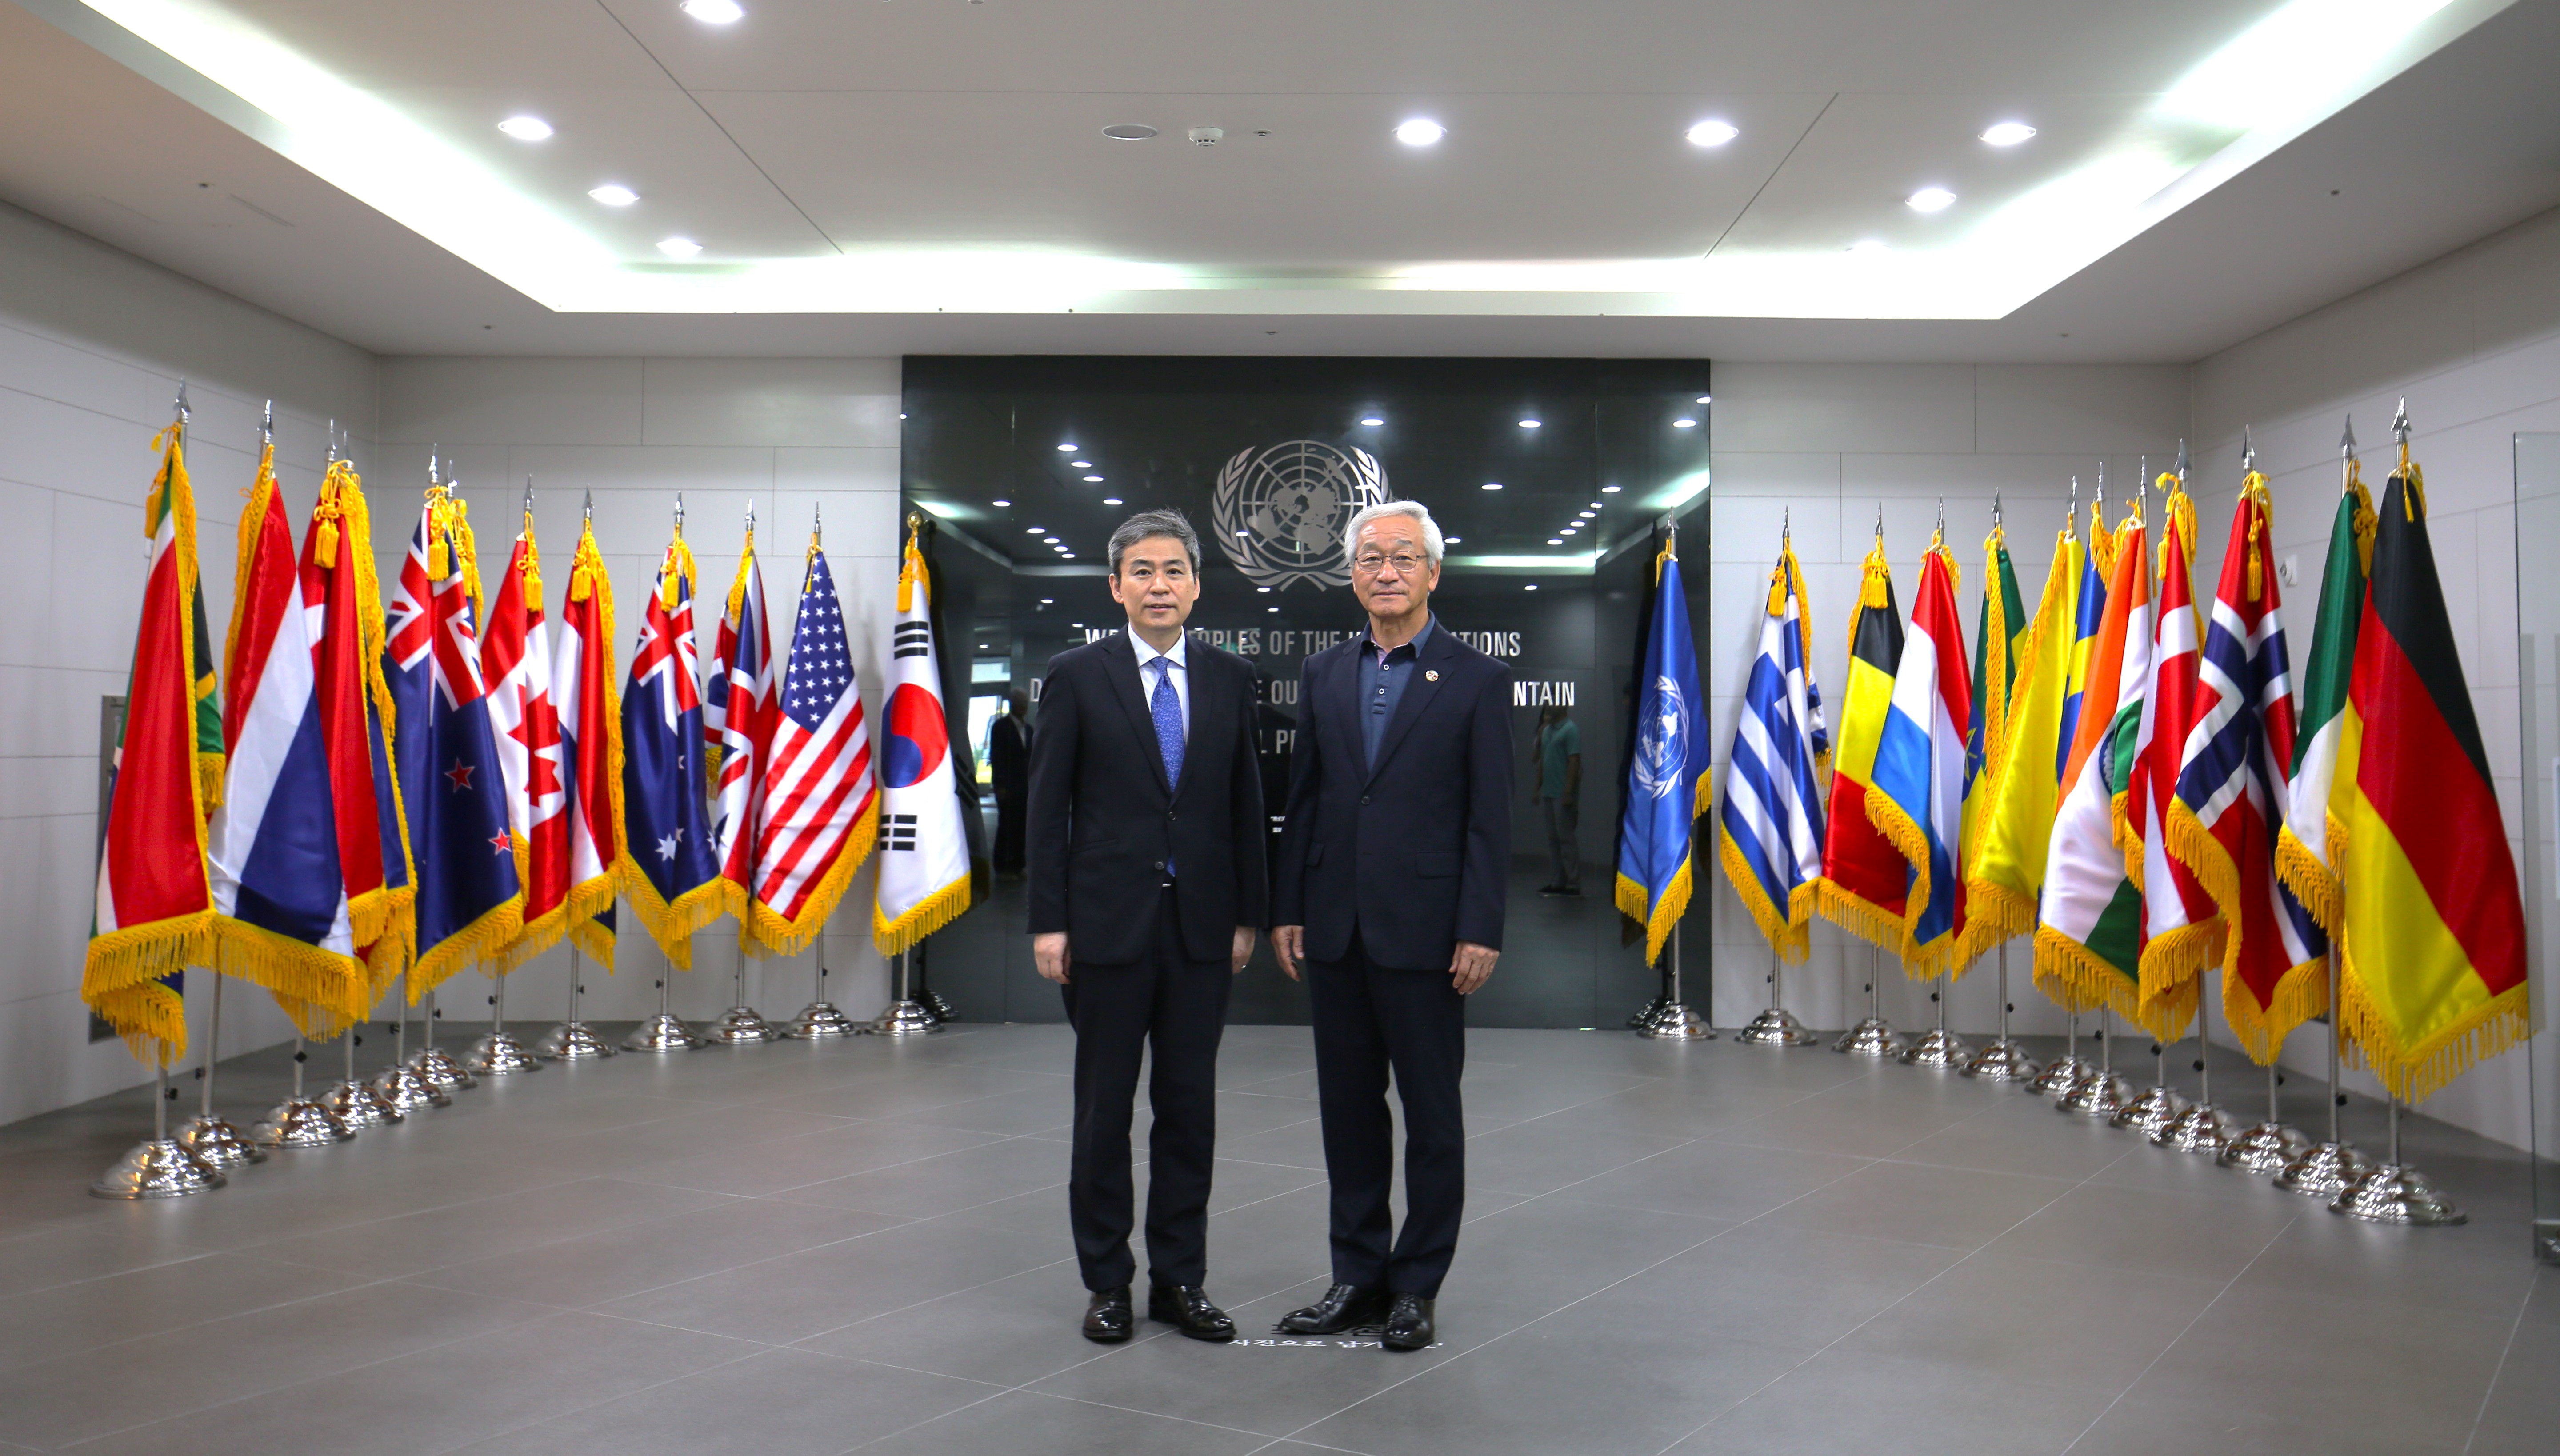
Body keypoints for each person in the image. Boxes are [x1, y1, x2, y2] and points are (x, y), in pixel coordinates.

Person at [1271, 499, 1512, 1352]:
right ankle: (1357, 1275)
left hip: (1429, 932)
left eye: (1403, 557)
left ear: (1433, 573)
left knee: (1431, 1115)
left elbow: (1490, 818)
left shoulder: (1476, 678)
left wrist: (1480, 926)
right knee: (1349, 1112)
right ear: (1351, 574)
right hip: (1335, 929)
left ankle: (1417, 1285)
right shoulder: (1325, 672)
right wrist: (1290, 904)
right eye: (1370, 557)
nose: (1385, 571)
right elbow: (1305, 799)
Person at [1026, 508, 1265, 1345]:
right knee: (1104, 1112)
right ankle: (1107, 1282)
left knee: (1188, 1109)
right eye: (1143, 571)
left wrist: (1247, 916)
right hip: (1104, 932)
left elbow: (1245, 809)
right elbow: (1046, 808)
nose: (1158, 586)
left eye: (1174, 571)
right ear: (1116, 585)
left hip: (1202, 932)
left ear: (1197, 586)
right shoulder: (1077, 675)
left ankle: (1180, 1279)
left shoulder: (1232, 680)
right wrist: (1049, 923)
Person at [1532, 704, 1581, 896]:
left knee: (1566, 839)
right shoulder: (1547, 731)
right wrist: (1538, 788)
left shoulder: (1570, 729)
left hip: (1562, 793)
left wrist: (1568, 792)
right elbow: (1543, 761)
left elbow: (1574, 761)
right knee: (1553, 840)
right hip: (1550, 793)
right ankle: (1557, 881)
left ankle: (1573, 882)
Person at [988, 690, 1030, 874]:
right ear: (1013, 705)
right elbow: (997, 758)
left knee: (1022, 826)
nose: (1024, 706)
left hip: (1025, 787)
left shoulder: (1030, 730)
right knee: (1006, 825)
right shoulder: (1000, 727)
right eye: (1020, 702)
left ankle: (1018, 864)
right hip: (1008, 786)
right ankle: (1002, 865)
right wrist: (1000, 785)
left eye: (1025, 702)